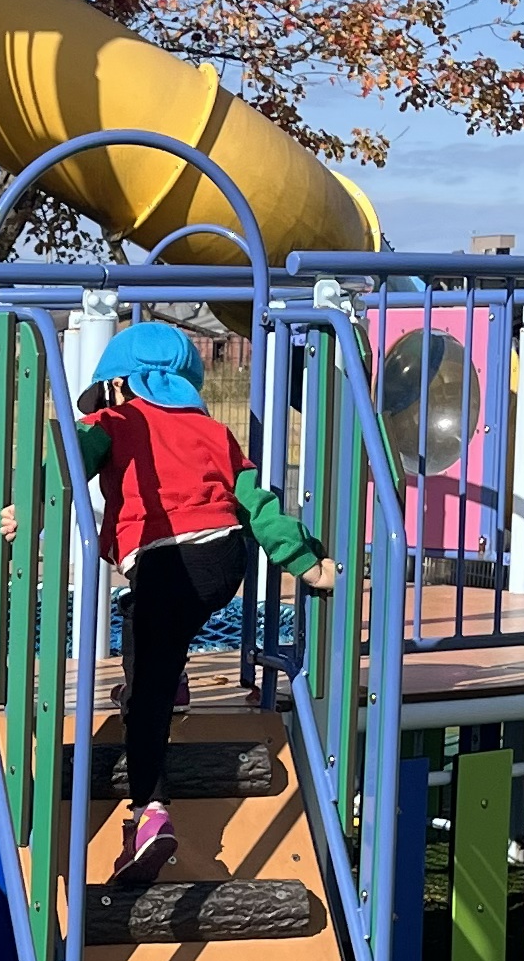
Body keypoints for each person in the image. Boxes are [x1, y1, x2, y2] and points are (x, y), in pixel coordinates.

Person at [74, 322, 333, 865]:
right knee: (150, 619)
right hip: (225, 559)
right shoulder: (216, 433)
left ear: (120, 384)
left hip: (165, 559)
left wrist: (26, 507)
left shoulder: (114, 420)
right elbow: (258, 505)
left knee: (144, 691)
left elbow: (67, 461)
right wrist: (306, 564)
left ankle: (149, 812)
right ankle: (172, 684)